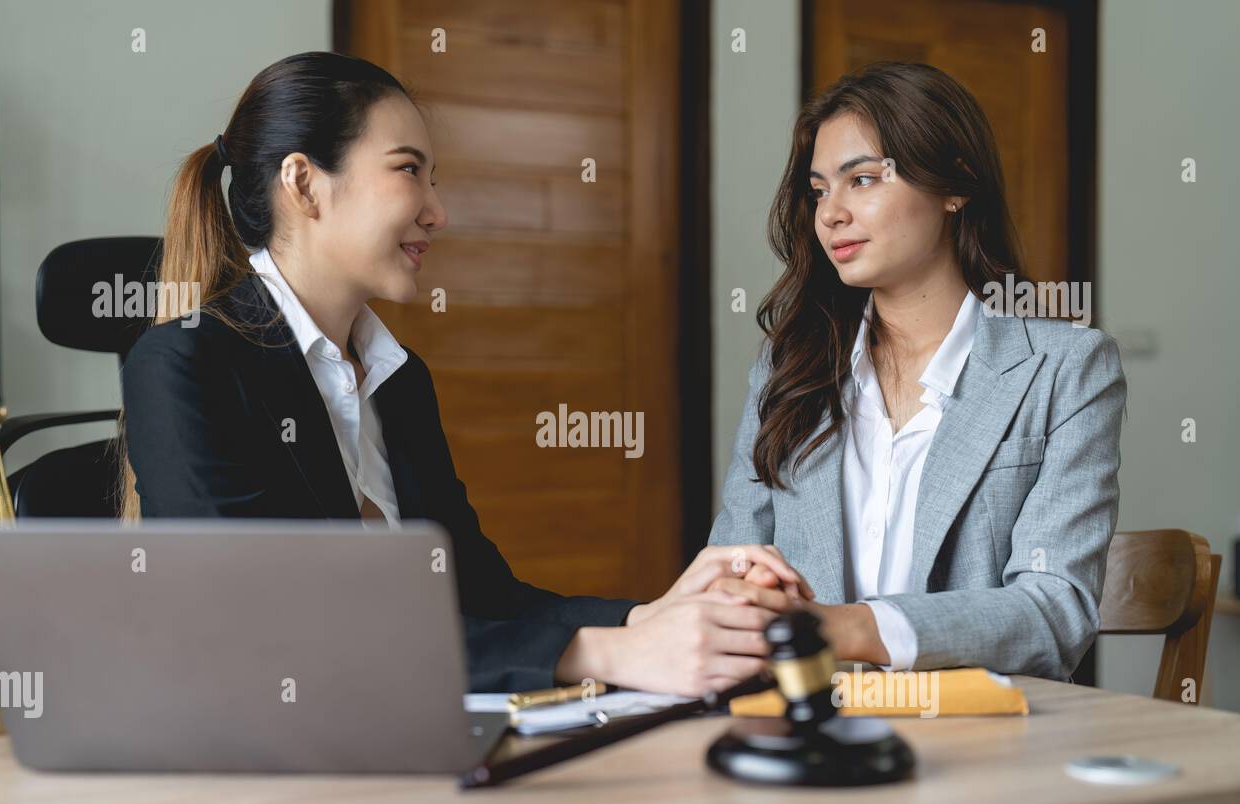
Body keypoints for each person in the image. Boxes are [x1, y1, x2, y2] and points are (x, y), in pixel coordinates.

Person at [120, 52, 799, 696]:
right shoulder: (185, 365)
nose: (436, 212)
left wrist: (649, 616)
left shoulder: (398, 379)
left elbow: (478, 595)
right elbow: (263, 634)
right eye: (409, 170)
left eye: (433, 179)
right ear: (304, 184)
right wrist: (604, 655)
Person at [708, 61, 1150, 804]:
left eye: (864, 179)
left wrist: (844, 628)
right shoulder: (787, 373)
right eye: (816, 190)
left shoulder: (1067, 368)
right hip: (813, 773)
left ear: (956, 186)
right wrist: (743, 596)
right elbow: (727, 565)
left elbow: (1054, 610)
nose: (831, 213)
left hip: (1002, 788)